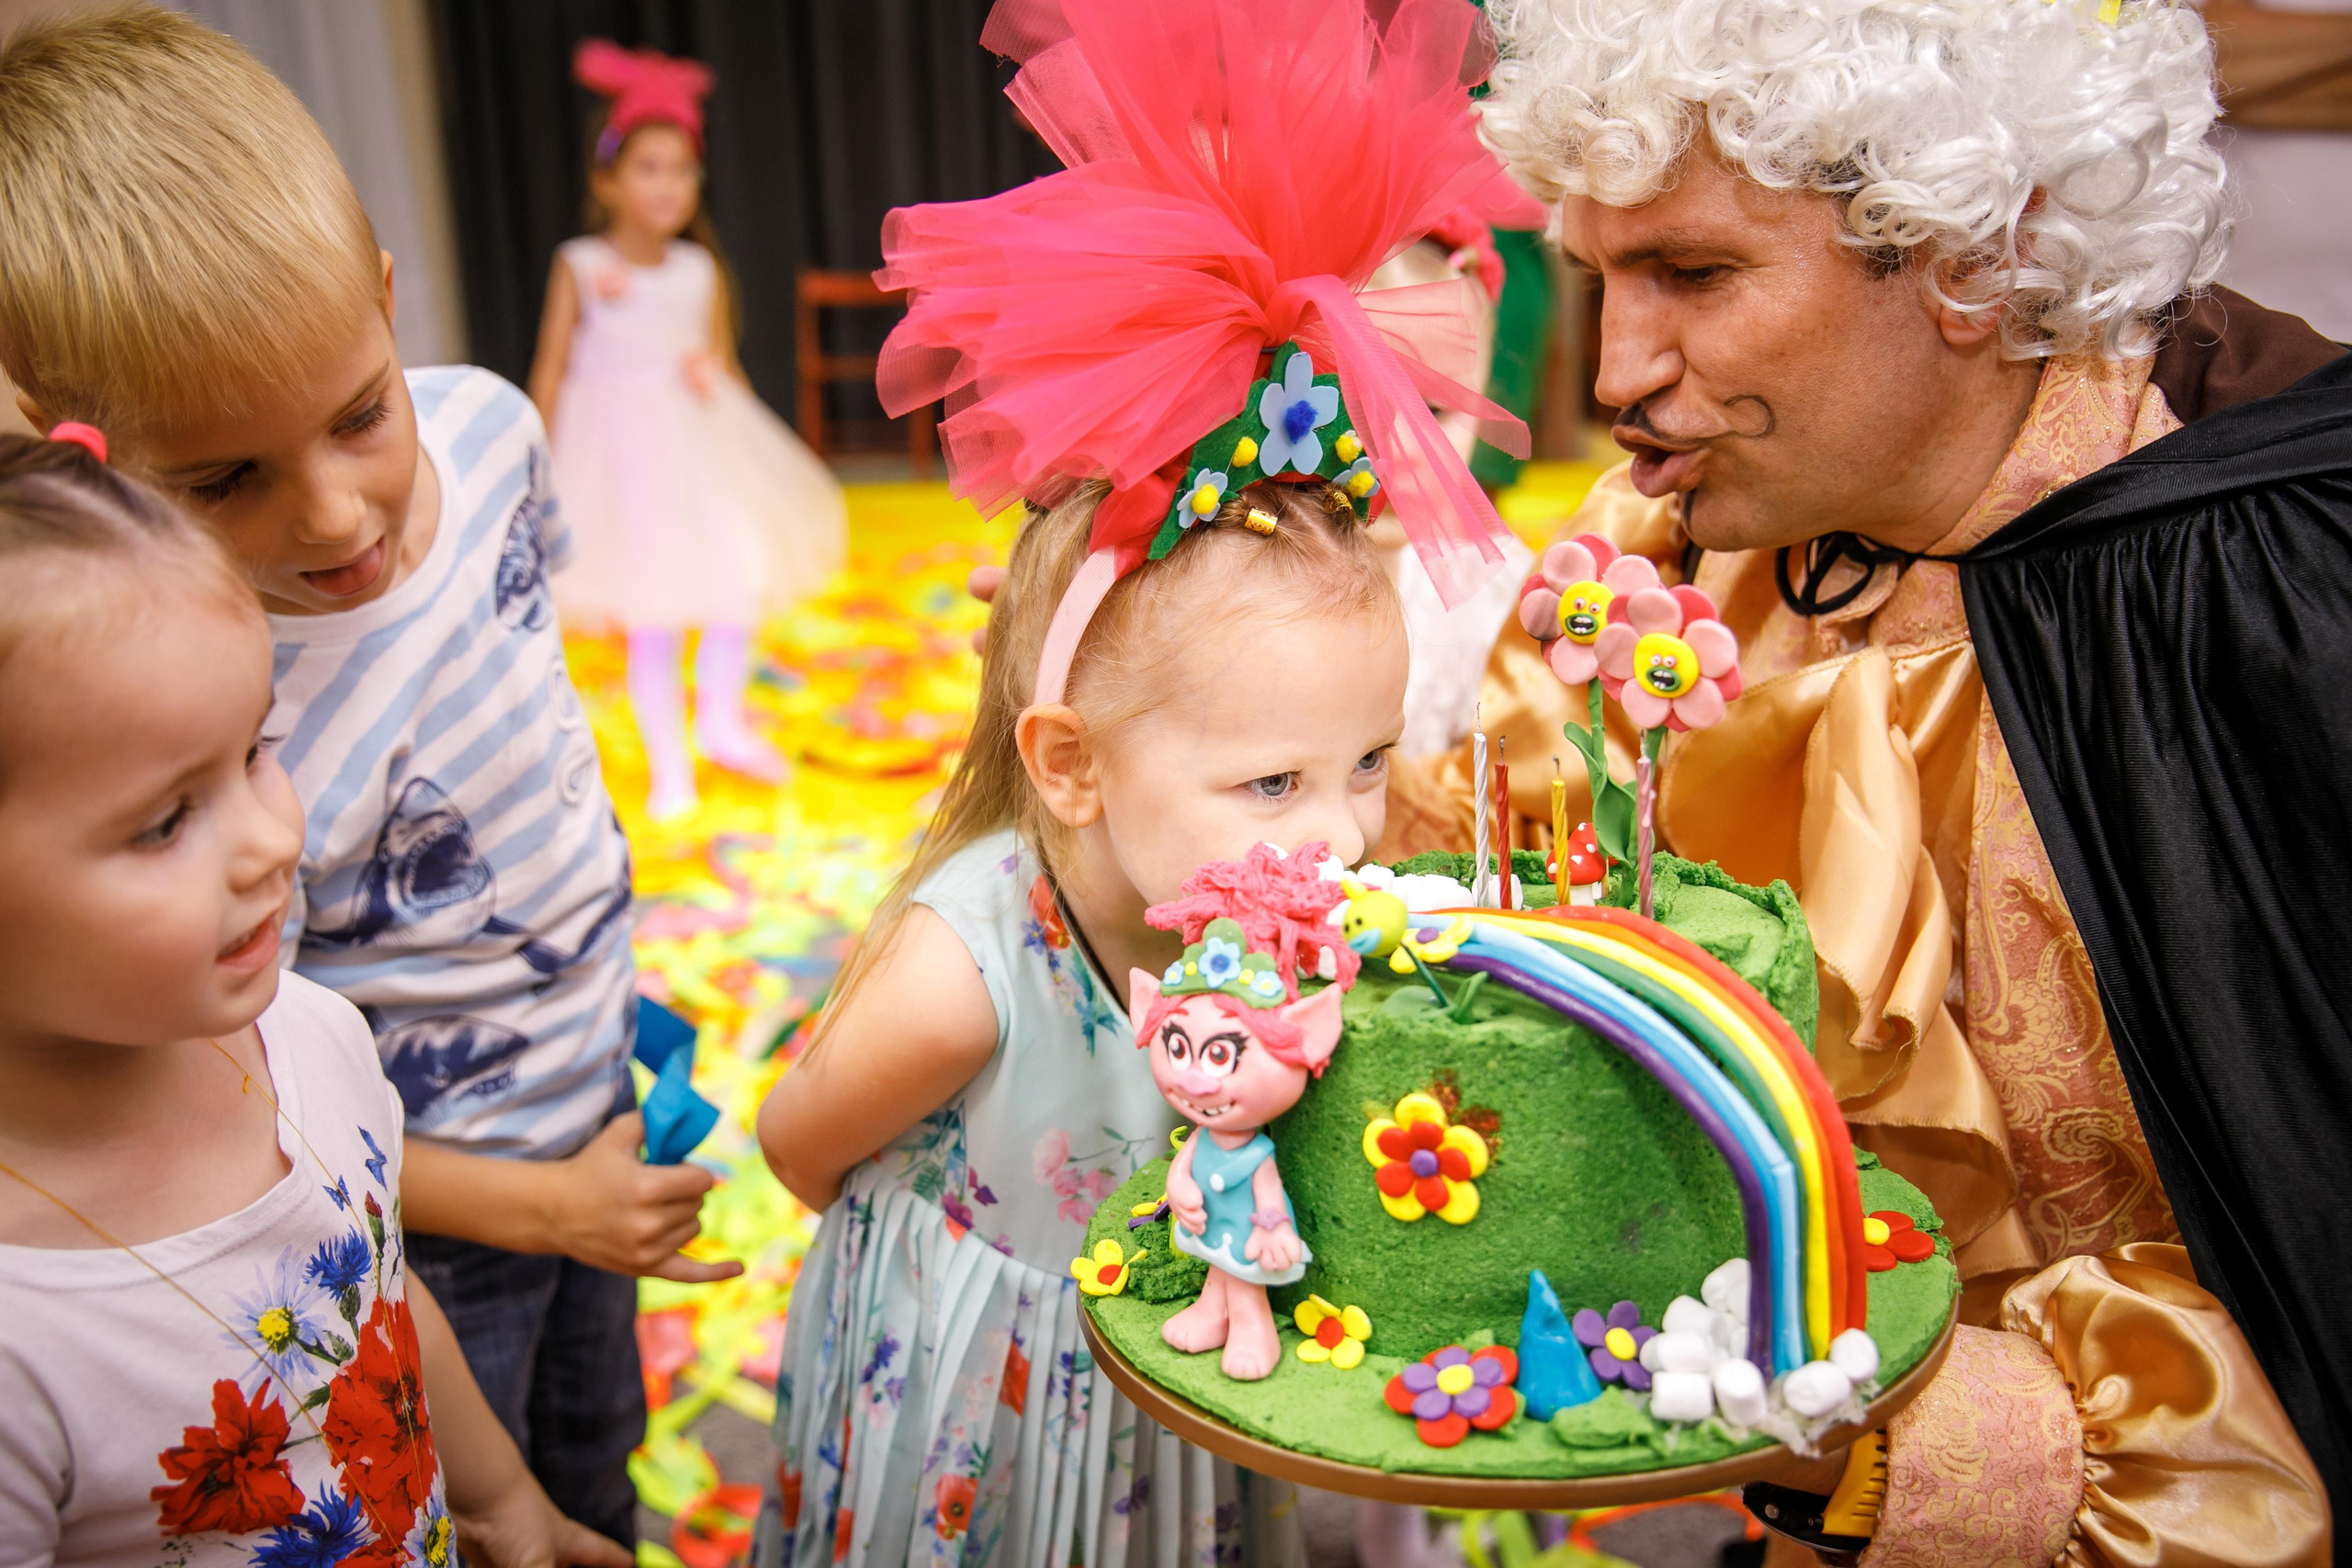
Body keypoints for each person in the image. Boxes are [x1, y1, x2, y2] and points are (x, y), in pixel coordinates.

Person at [1420, 0, 2348, 1560]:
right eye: (1595, 275)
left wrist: (1923, 1446)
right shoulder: (1663, 553)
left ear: (1977, 260)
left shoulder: (2279, 581)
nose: (1620, 372)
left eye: (1695, 272)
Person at [752, 0, 1524, 1562]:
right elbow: (798, 1148)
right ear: (1071, 766)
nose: (1340, 831)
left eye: (1364, 763)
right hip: (989, 1410)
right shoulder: (966, 981)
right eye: (1270, 785)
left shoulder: (1281, 929)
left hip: (1180, 1404)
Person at [0, 9, 739, 1545]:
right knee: (459, 1476)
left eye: (358, 411)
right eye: (222, 480)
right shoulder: (185, 728)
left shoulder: (490, 429)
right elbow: (283, 1102)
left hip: (601, 1097)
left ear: (389, 309)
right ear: (91, 471)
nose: (339, 514)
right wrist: (542, 1208)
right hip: (444, 1208)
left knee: (591, 1462)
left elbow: (526, 691)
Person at [0, 431, 628, 1568]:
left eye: (255, 751)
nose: (271, 841)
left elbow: (380, 1304)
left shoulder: (310, 1033)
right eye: (161, 821)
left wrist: (504, 1497)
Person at [527, 39, 847, 822]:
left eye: (681, 168)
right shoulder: (579, 264)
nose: (668, 185)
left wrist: (712, 375)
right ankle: (671, 761)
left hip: (697, 454)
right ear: (607, 179)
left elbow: (719, 361)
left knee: (732, 591)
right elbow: (551, 369)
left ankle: (724, 724)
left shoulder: (699, 271)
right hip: (621, 468)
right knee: (655, 619)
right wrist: (533, 465)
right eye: (648, 167)